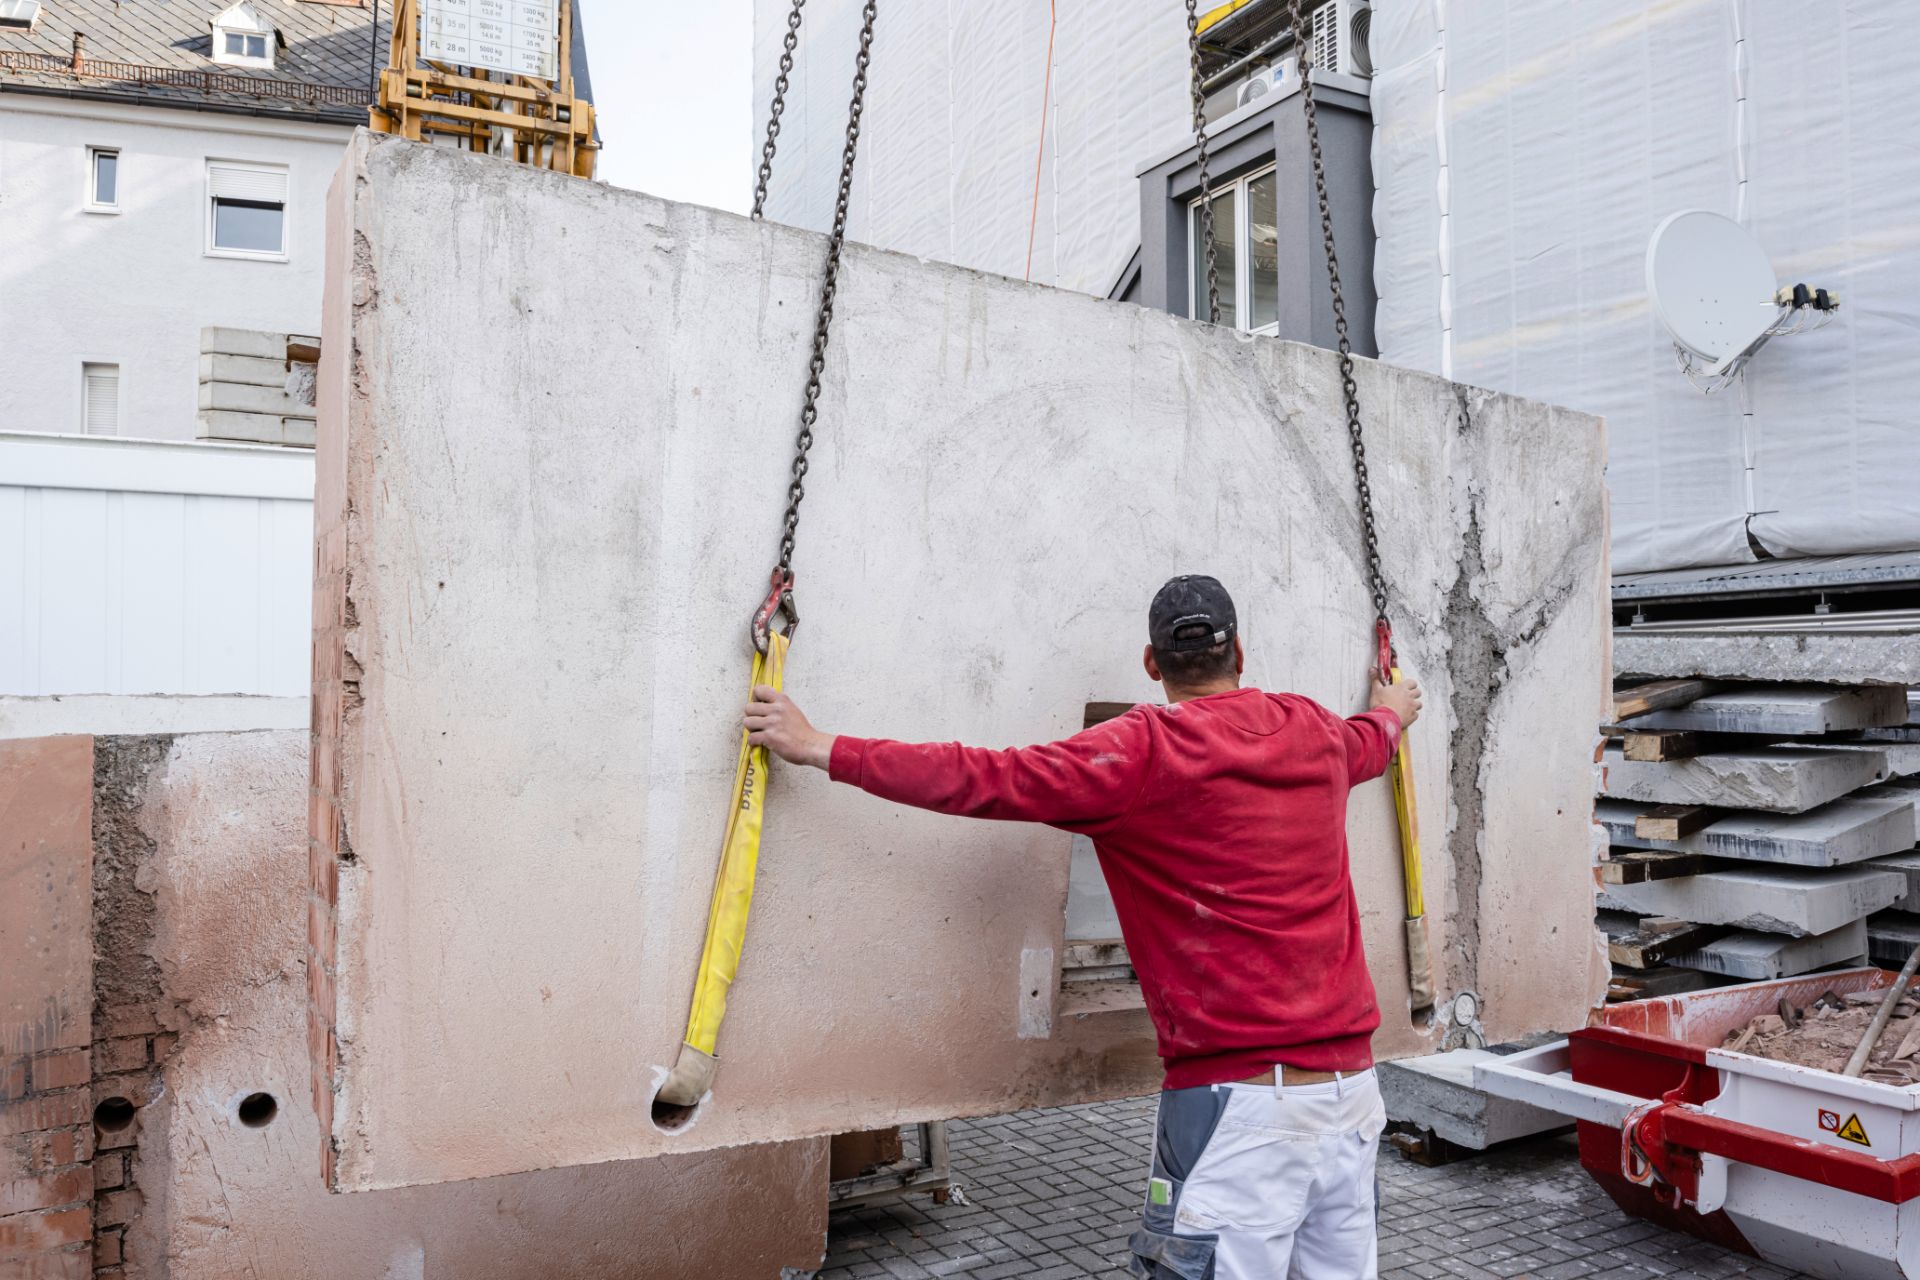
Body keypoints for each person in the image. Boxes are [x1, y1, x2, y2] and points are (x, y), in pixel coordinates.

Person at [744, 574, 1423, 1280]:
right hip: (1352, 1100)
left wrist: (819, 745)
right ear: (1240, 653)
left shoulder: (1138, 752)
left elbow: (981, 777)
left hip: (1239, 1111)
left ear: (1152, 663)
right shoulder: (1314, 732)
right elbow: (1372, 741)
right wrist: (1394, 710)